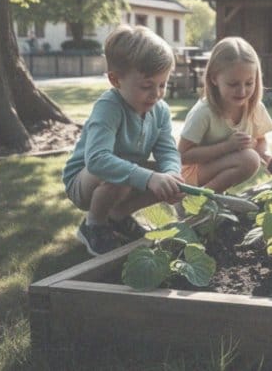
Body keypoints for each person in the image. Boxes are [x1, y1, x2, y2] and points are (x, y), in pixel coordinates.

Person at [62, 25, 185, 256]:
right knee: (116, 169)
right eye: (147, 86)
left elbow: (167, 150)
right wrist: (149, 178)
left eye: (162, 84)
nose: (156, 94)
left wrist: (171, 174)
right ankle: (94, 225)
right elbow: (97, 161)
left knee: (166, 175)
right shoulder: (109, 107)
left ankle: (117, 218)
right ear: (115, 80)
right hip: (85, 182)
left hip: (124, 179)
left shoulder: (160, 110)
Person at [178, 37, 272, 193]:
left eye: (249, 83)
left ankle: (212, 199)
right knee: (249, 159)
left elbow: (260, 140)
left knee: (251, 158)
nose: (242, 91)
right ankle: (197, 202)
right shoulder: (204, 112)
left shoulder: (254, 108)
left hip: (215, 171)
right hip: (190, 178)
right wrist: (228, 146)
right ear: (214, 78)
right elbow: (182, 156)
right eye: (233, 84)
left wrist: (269, 158)